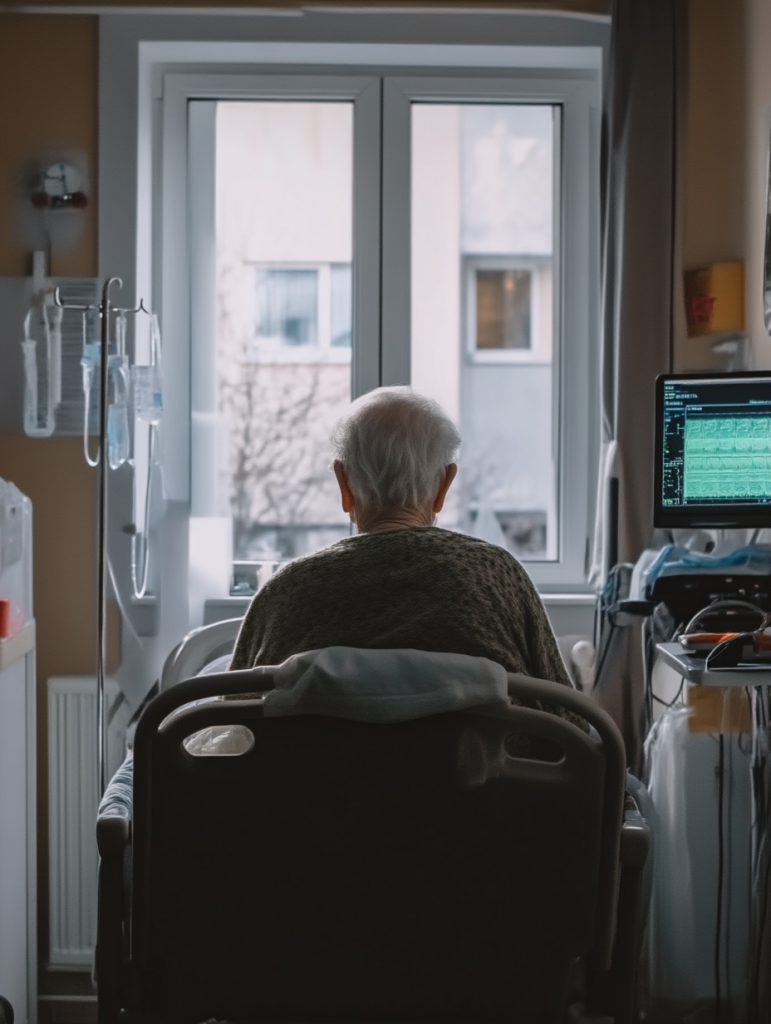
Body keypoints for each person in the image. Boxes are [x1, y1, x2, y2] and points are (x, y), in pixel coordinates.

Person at [230, 386, 580, 725]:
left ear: (344, 485)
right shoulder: (497, 576)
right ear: (443, 486)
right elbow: (568, 721)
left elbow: (228, 731)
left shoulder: (286, 592)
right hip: (487, 784)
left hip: (316, 786)